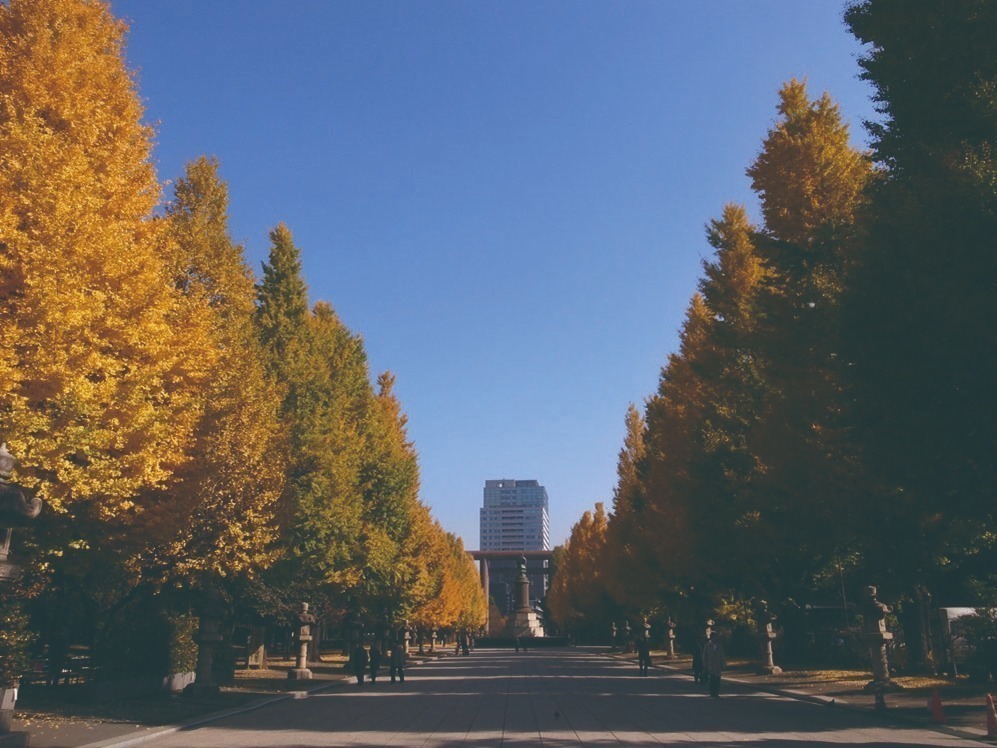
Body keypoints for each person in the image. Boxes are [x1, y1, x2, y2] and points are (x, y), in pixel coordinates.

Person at [702, 631, 726, 697]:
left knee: (717, 680)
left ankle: (716, 692)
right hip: (710, 665)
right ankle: (712, 692)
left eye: (716, 637)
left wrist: (723, 664)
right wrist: (705, 665)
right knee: (712, 680)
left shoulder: (719, 646)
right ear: (711, 638)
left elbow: (722, 656)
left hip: (718, 666)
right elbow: (704, 656)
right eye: (714, 637)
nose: (716, 638)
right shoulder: (707, 646)